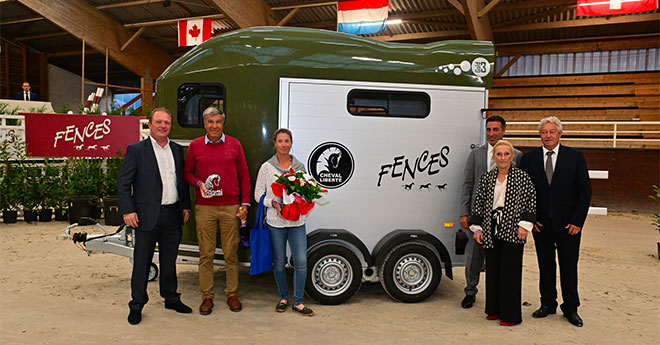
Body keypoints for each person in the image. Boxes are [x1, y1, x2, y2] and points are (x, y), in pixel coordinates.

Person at [117, 108, 192, 325]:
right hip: (145, 216)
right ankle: (136, 305)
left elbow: (181, 182)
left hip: (173, 215)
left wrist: (185, 206)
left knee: (169, 261)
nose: (163, 126)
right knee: (142, 262)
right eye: (158, 122)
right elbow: (123, 183)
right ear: (149, 124)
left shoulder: (177, 150)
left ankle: (171, 298)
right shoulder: (136, 150)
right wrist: (127, 210)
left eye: (167, 122)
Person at [520, 116, 592, 327]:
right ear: (539, 135)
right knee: (546, 266)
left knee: (569, 267)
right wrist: (530, 219)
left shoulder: (575, 157)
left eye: (552, 132)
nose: (548, 136)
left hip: (569, 226)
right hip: (541, 225)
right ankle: (548, 304)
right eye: (544, 132)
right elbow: (525, 192)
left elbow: (584, 192)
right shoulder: (529, 159)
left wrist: (578, 221)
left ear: (560, 134)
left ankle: (571, 308)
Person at [184, 106, 250, 314]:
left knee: (231, 253)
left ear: (223, 123)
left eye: (218, 122)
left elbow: (244, 176)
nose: (214, 126)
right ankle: (207, 296)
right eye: (210, 122)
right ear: (204, 123)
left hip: (231, 207)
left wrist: (245, 205)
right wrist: (197, 183)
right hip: (205, 209)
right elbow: (186, 173)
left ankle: (232, 293)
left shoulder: (234, 145)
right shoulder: (195, 146)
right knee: (206, 254)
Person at [469, 140, 536, 326]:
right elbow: (479, 204)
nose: (503, 158)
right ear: (494, 157)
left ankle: (510, 315)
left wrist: (524, 225)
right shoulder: (487, 178)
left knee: (510, 273)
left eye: (507, 154)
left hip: (513, 230)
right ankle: (493, 309)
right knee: (493, 271)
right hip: (491, 229)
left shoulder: (522, 178)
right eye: (499, 154)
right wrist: (477, 228)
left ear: (512, 156)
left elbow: (531, 201)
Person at [459, 115, 521, 309]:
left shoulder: (516, 155)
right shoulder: (476, 154)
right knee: (474, 256)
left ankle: (500, 295)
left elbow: (522, 187)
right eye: (488, 129)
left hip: (506, 217)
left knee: (501, 257)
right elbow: (467, 184)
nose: (491, 133)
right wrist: (464, 212)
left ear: (503, 131)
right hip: (478, 215)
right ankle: (470, 291)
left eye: (496, 129)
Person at [254, 128, 314, 316]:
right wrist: (272, 203)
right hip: (275, 222)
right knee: (278, 262)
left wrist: (302, 200)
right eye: (280, 141)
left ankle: (298, 301)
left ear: (291, 143)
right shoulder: (267, 167)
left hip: (297, 222)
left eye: (287, 141)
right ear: (274, 144)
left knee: (301, 261)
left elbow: (307, 192)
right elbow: (257, 195)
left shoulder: (299, 167)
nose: (283, 144)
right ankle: (283, 298)